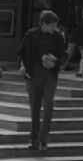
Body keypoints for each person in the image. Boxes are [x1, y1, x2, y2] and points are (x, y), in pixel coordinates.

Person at [17, 10, 66, 153]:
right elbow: (21, 52)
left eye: (55, 26)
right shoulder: (31, 35)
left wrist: (55, 61)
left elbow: (64, 56)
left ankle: (44, 140)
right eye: (52, 26)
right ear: (44, 24)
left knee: (48, 107)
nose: (54, 29)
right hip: (33, 76)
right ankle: (33, 140)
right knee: (35, 109)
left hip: (50, 76)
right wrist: (22, 65)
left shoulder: (58, 37)